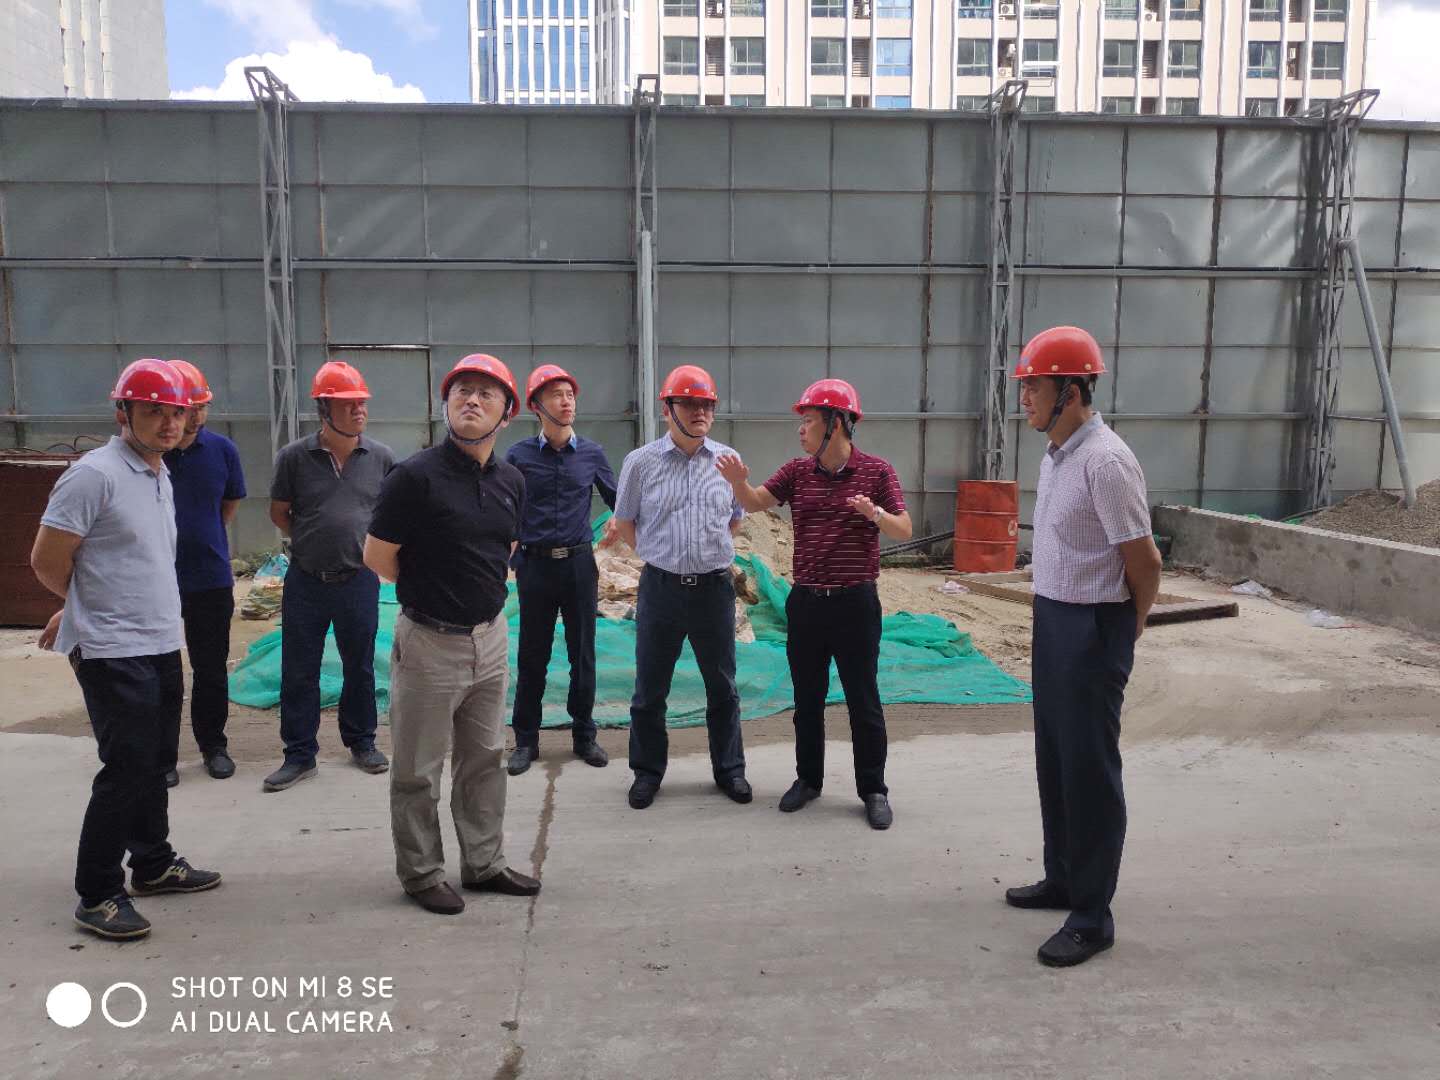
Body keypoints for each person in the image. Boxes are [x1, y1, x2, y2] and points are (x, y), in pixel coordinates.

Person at [31, 359, 222, 941]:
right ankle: (97, 892)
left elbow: (126, 559)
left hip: (159, 639)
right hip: (112, 649)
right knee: (126, 768)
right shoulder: (94, 476)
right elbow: (46, 559)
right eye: (153, 411)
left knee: (156, 761)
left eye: (177, 412)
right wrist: (80, 606)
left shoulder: (158, 473)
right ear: (124, 412)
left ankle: (153, 863)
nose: (169, 423)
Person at [1001, 326, 1162, 968]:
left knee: (1090, 770)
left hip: (1095, 626)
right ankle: (1063, 877)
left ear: (1071, 391)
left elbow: (1144, 560)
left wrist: (1131, 624)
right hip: (1055, 618)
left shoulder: (1106, 461)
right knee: (1055, 756)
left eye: (1033, 388)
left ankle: (1093, 916)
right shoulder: (1057, 455)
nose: (1025, 400)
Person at [364, 354, 540, 915]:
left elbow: (506, 549)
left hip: (490, 639)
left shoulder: (512, 481)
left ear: (506, 414)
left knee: (485, 758)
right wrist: (432, 590)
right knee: (418, 767)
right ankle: (421, 873)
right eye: (462, 390)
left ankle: (484, 863)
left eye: (486, 393)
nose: (471, 400)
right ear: (446, 404)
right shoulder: (414, 477)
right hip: (429, 641)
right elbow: (377, 556)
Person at [716, 379, 911, 830]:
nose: (800, 430)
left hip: (856, 603)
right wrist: (739, 483)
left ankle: (874, 789)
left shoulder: (877, 472)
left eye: (808, 421)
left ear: (836, 424)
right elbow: (756, 502)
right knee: (807, 699)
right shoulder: (796, 472)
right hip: (806, 602)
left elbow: (903, 527)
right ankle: (808, 780)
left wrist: (876, 515)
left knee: (863, 700)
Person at [606, 364, 750, 811]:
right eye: (688, 403)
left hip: (713, 591)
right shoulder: (641, 462)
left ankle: (730, 770)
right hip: (661, 589)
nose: (699, 411)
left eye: (706, 404)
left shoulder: (727, 461)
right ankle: (647, 773)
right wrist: (660, 556)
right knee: (650, 689)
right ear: (667, 409)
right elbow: (625, 522)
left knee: (722, 686)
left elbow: (735, 520)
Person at [264, 361, 395, 792]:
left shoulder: (381, 458)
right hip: (306, 580)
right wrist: (315, 539)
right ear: (324, 409)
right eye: (348, 404)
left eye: (361, 403)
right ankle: (299, 755)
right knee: (299, 670)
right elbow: (280, 513)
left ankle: (362, 742)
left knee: (360, 666)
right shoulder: (293, 458)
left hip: (359, 579)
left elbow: (391, 515)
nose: (359, 410)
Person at [504, 364, 617, 776]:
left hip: (578, 567)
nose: (567, 401)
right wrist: (510, 556)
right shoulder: (517, 456)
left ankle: (584, 735)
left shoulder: (592, 454)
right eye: (557, 395)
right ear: (536, 405)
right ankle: (526, 740)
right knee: (532, 655)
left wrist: (623, 522)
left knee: (582, 654)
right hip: (534, 567)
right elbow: (502, 506)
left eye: (570, 394)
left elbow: (620, 500)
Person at [161, 359, 246, 785]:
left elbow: (227, 507)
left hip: (209, 577)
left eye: (201, 407)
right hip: (157, 579)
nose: (195, 416)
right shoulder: (151, 454)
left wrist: (203, 538)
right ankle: (162, 756)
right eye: (186, 408)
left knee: (210, 668)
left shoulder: (223, 451)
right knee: (162, 671)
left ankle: (213, 746)